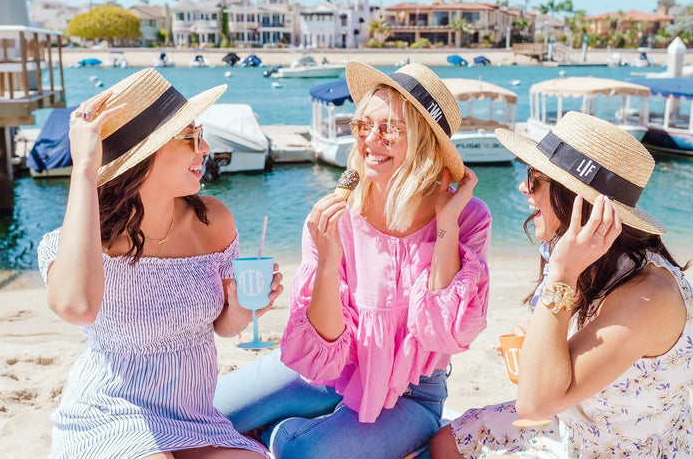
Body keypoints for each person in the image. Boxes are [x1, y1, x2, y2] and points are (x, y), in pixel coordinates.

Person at [213, 62, 492, 458]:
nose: (370, 141)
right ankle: (285, 428)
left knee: (303, 453)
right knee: (204, 415)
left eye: (389, 128)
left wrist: (445, 226)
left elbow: (441, 335)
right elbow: (322, 351)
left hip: (409, 392)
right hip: (327, 371)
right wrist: (328, 261)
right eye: (362, 125)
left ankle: (278, 433)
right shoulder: (339, 213)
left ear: (424, 142)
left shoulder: (469, 216)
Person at [429, 111, 693, 458]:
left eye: (534, 179)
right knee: (446, 443)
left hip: (625, 449)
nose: (523, 188)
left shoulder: (645, 297)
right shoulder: (596, 258)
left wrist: (561, 272)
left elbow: (534, 404)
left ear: (575, 198)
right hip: (579, 422)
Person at [37, 68, 283, 459]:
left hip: (193, 417)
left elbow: (222, 326)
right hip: (109, 415)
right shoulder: (77, 243)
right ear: (144, 153)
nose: (205, 149)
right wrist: (84, 170)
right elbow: (77, 307)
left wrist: (239, 311)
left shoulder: (213, 221)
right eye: (191, 138)